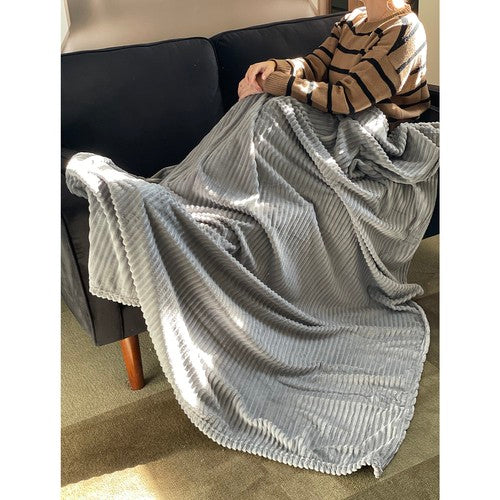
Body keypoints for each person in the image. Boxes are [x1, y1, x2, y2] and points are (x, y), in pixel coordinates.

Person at [238, 0, 430, 128]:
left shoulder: (404, 30)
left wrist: (273, 83)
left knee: (273, 109)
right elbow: (314, 65)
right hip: (339, 117)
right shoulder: (353, 19)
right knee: (257, 102)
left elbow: (349, 97)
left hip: (377, 129)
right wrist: (274, 68)